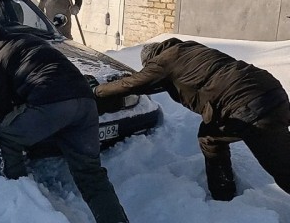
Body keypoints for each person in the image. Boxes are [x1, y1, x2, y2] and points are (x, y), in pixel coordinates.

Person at [0, 17, 136, 223]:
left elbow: (3, 109)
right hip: (85, 103)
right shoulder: (29, 40)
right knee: (91, 174)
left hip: (51, 103)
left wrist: (6, 131)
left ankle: (19, 200)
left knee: (5, 137)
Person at [94, 38, 290, 201]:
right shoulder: (191, 49)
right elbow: (160, 83)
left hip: (248, 105)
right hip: (270, 90)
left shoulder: (164, 61)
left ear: (151, 59)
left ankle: (224, 194)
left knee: (282, 167)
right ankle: (223, 193)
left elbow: (132, 84)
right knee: (210, 137)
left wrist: (97, 90)